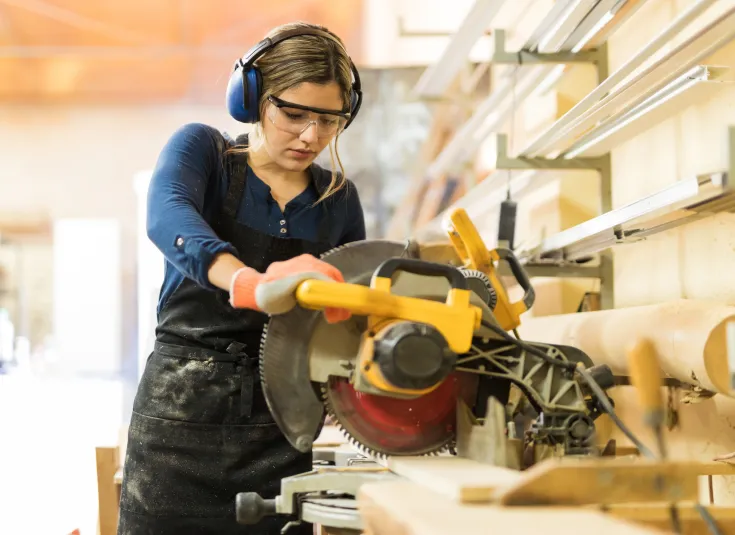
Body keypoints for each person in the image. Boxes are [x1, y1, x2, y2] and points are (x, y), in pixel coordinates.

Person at [117, 21, 366, 535]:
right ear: (253, 100)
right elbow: (168, 217)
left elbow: (349, 315)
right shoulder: (204, 154)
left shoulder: (338, 198)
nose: (311, 136)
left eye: (329, 120)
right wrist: (247, 283)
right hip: (178, 423)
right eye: (293, 114)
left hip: (279, 428)